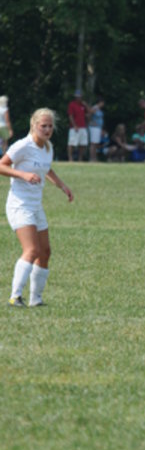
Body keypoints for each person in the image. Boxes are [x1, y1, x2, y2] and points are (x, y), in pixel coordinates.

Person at [0, 108, 73, 307]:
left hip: (36, 206)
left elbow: (46, 168)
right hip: (19, 205)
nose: (47, 130)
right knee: (31, 250)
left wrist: (62, 186)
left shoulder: (47, 147)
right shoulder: (22, 146)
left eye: (50, 126)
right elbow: (1, 165)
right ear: (34, 125)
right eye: (43, 126)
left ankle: (36, 299)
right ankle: (15, 296)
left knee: (45, 252)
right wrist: (23, 175)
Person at [67, 89, 89, 161]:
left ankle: (80, 158)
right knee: (71, 143)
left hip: (83, 126)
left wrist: (86, 105)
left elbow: (89, 113)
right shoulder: (72, 104)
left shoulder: (83, 105)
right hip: (74, 127)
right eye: (77, 97)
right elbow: (70, 115)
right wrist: (74, 125)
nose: (78, 98)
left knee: (82, 144)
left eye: (79, 96)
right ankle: (70, 158)